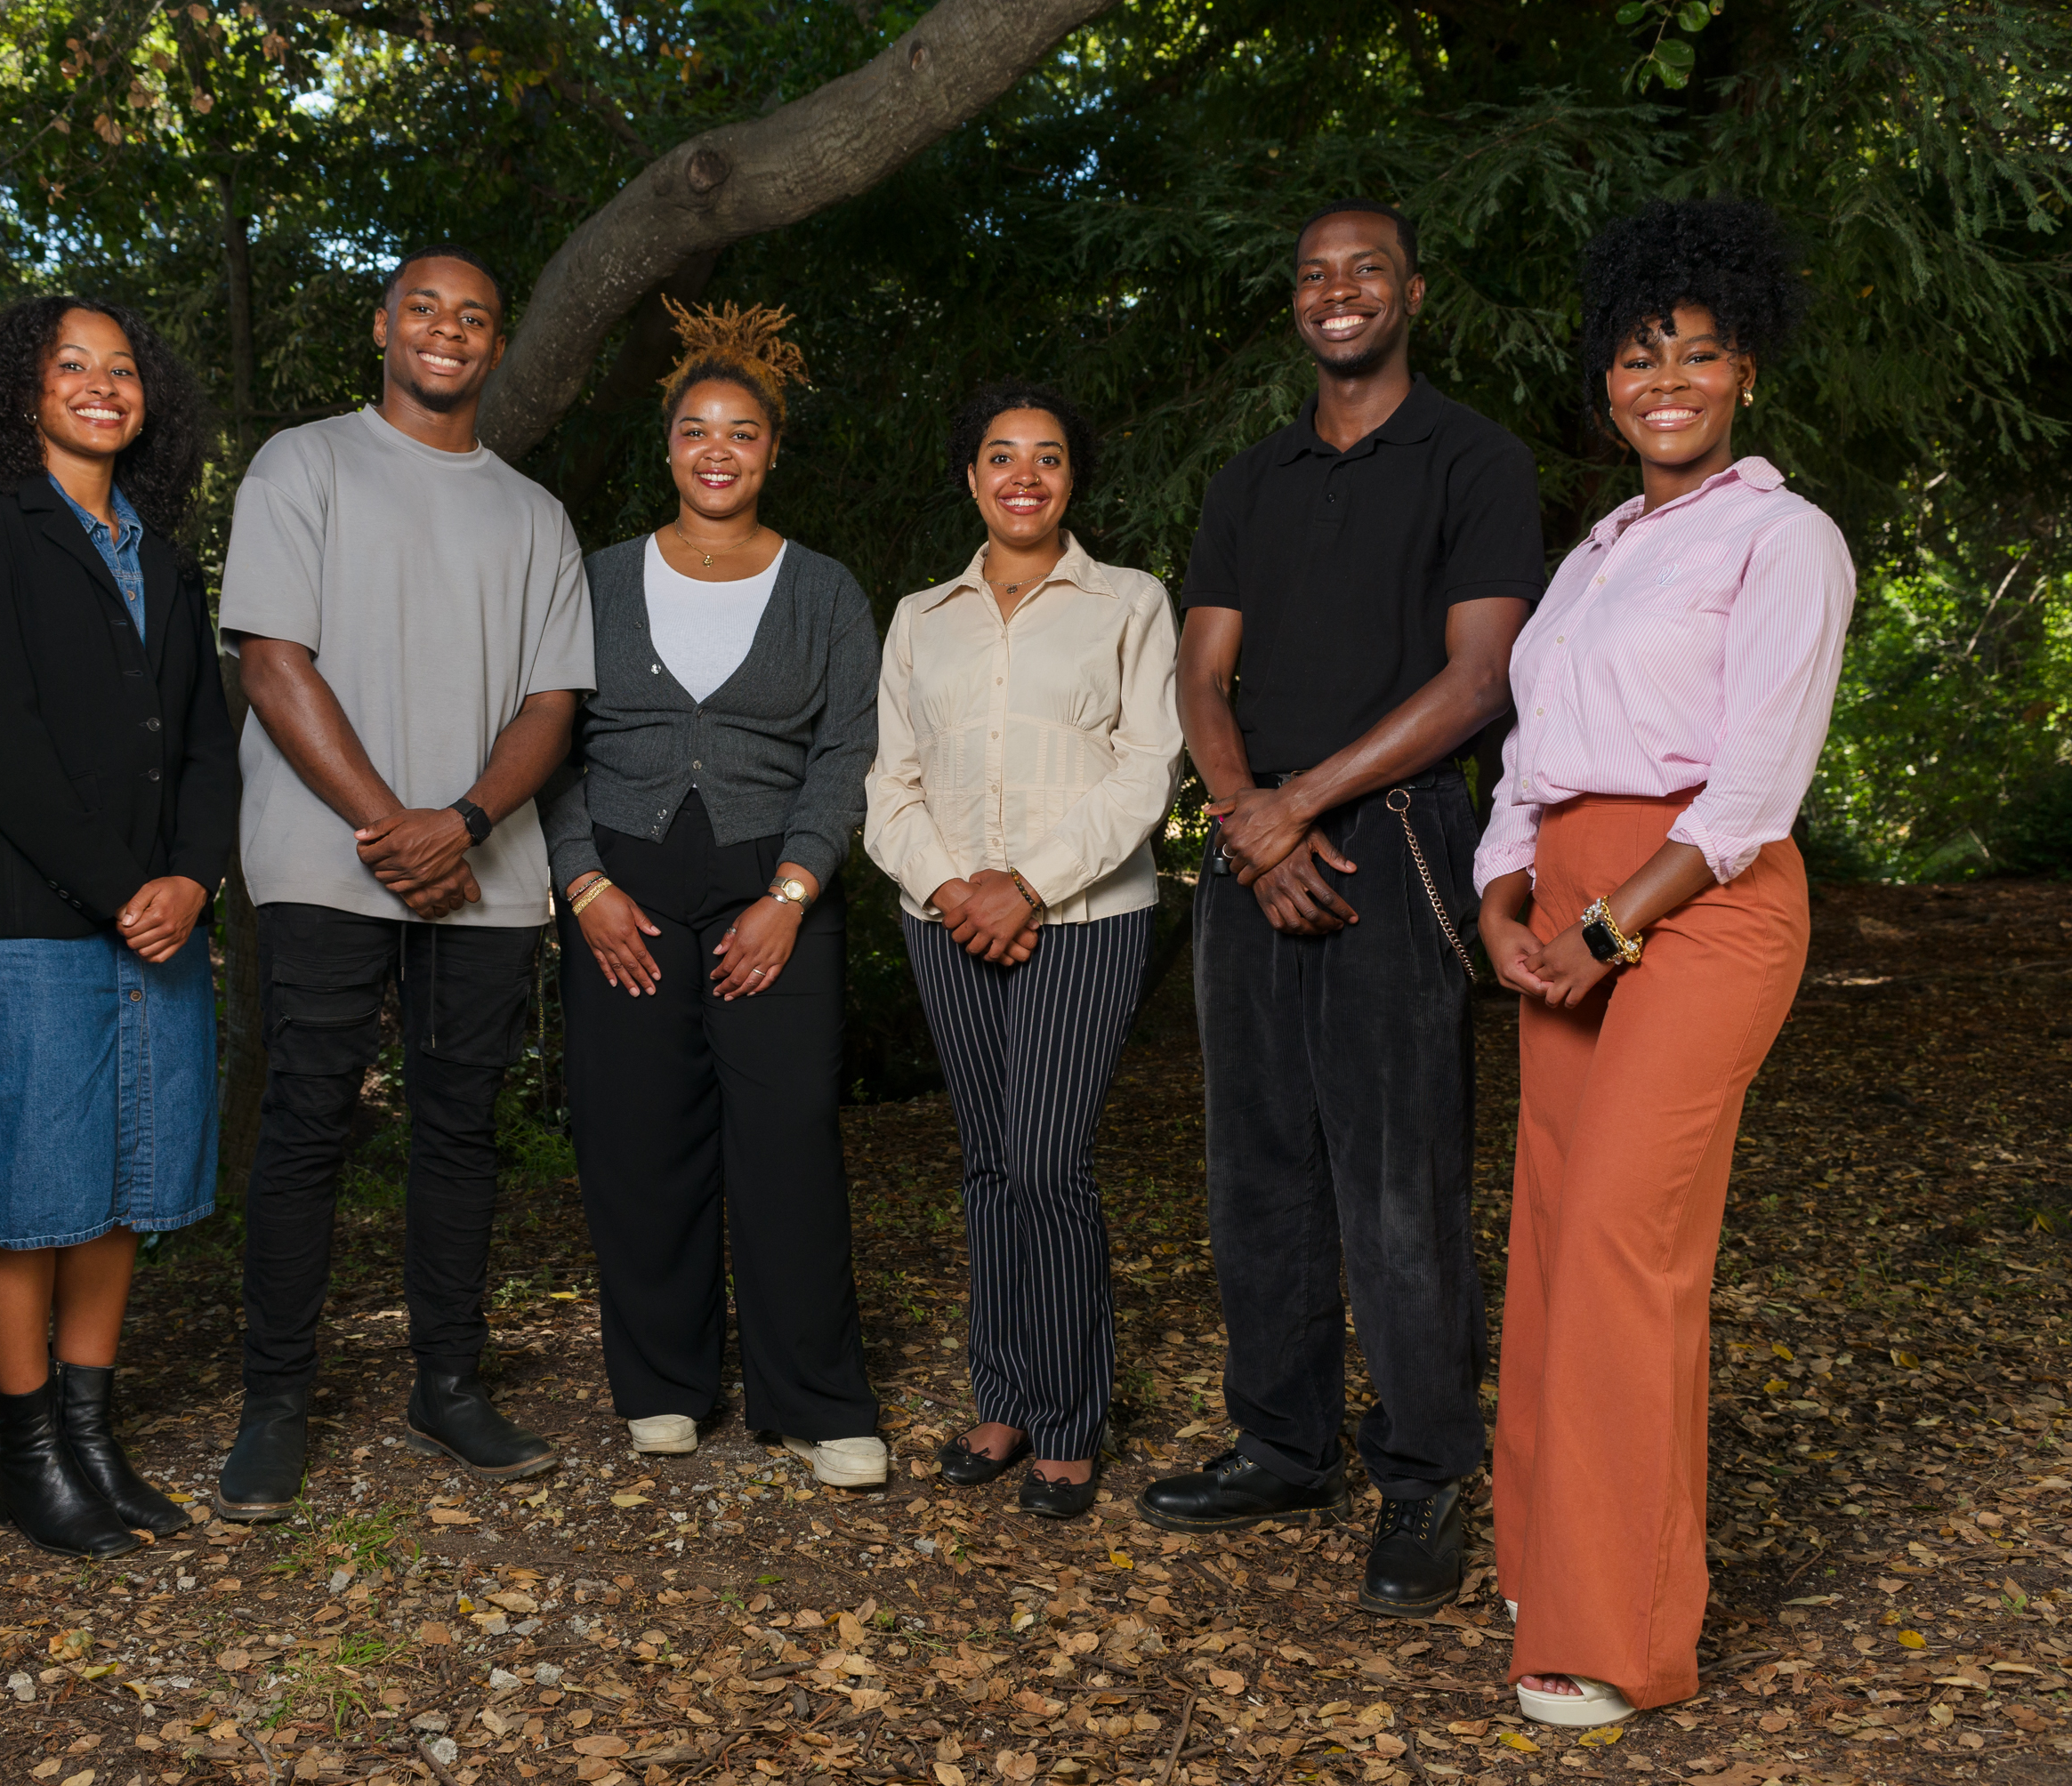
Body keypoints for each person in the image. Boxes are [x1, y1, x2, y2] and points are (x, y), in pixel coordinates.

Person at [1477, 198, 1850, 1725]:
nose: (1666, 379)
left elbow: (1753, 785)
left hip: (1694, 905)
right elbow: (1530, 752)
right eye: (1639, 357)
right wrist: (1504, 892)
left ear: (1742, 373)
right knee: (1553, 1237)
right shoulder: (1593, 554)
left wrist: (1605, 922)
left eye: (1698, 353)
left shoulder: (1783, 536)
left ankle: (1615, 1629)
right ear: (1605, 384)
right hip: (1563, 895)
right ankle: (1541, 1553)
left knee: (1628, 1242)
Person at [1151, 197, 1544, 1620]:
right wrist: (1251, 826)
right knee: (1255, 1165)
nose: (1338, 291)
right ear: (1296, 303)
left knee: (1399, 1183)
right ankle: (1281, 1444)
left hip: (1399, 844)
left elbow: (1481, 679)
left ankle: (1426, 1478)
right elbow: (1202, 677)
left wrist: (1297, 803)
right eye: (1314, 273)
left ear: (1412, 293)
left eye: (1364, 269)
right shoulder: (1250, 481)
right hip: (1253, 849)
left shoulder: (1473, 461)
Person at [216, 244, 594, 1516]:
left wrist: (469, 821)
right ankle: (275, 1403)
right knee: (308, 1121)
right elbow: (272, 662)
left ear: (495, 345)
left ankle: (450, 1389)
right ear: (383, 327)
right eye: (424, 309)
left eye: (473, 317)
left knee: (460, 1132)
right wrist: (395, 826)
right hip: (326, 863)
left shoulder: (535, 514)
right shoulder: (303, 464)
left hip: (486, 877)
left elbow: (554, 703)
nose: (447, 331)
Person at [0, 295, 236, 1557]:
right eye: (71, 366)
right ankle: (27, 1452)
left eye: (123, 368)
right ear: (18, 388)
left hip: (162, 914)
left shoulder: (159, 544)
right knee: (25, 1188)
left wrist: (196, 877)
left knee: (120, 1181)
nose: (103, 385)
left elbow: (208, 733)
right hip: (29, 916)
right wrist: (124, 890)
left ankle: (95, 1439)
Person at [544, 300, 887, 1489]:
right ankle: (664, 1386)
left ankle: (817, 1396)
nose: (720, 450)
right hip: (622, 885)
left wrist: (794, 889)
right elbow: (547, 743)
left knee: (787, 1136)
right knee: (640, 1139)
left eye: (743, 432)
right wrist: (579, 881)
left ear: (771, 451)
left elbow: (848, 751)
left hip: (771, 884)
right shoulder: (592, 579)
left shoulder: (827, 590)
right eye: (698, 429)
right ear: (671, 446)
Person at [864, 382, 1181, 1517]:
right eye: (1000, 456)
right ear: (970, 476)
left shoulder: (1130, 602)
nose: (1023, 476)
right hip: (945, 921)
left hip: (1083, 921)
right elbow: (887, 780)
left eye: (1046, 457)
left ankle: (1066, 1415)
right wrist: (951, 887)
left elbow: (1151, 768)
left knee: (1047, 1165)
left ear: (1071, 479)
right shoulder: (920, 615)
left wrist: (1028, 885)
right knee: (989, 1164)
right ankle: (1000, 1395)